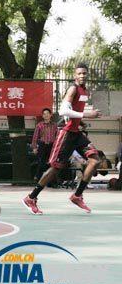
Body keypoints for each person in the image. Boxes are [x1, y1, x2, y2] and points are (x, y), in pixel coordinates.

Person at [23, 63, 101, 214]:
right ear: (74, 75)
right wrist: (86, 115)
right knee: (55, 168)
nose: (82, 76)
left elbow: (74, 111)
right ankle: (31, 197)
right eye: (79, 73)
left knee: (95, 160)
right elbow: (63, 110)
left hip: (76, 133)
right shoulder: (72, 89)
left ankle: (77, 195)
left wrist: (81, 122)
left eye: (84, 73)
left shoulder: (85, 91)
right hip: (65, 134)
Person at [31, 108, 58, 182]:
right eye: (44, 114)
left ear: (50, 115)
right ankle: (37, 179)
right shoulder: (39, 125)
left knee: (51, 163)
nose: (46, 115)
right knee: (41, 163)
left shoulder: (54, 125)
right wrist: (34, 147)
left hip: (52, 146)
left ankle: (52, 181)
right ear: (42, 116)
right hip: (43, 145)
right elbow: (35, 137)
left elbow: (57, 137)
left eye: (47, 114)